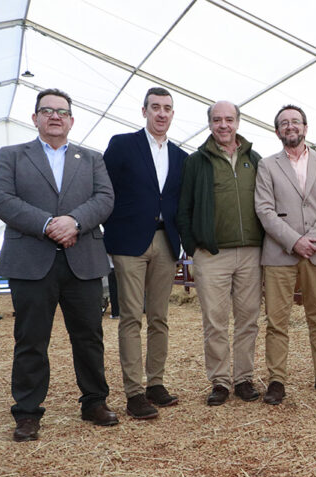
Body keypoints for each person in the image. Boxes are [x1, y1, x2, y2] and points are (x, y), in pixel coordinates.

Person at [0, 88, 118, 442]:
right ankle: (28, 412)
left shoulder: (91, 158)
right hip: (31, 259)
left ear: (72, 120)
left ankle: (94, 401)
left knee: (89, 336)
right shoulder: (12, 155)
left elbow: (105, 198)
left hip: (83, 259)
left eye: (62, 111)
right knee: (31, 339)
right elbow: (1, 198)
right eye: (47, 110)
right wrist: (48, 224)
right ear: (35, 118)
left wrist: (74, 222)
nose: (55, 116)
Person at [103, 87, 187, 420]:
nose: (161, 113)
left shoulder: (181, 156)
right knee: (130, 317)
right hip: (129, 244)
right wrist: (112, 231)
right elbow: (105, 190)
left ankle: (156, 384)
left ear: (172, 113)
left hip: (166, 242)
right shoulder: (122, 145)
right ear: (144, 111)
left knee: (159, 317)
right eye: (156, 107)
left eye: (167, 108)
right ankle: (134, 393)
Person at [255, 104, 316, 405]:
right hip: (280, 254)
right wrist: (295, 241)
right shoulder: (267, 166)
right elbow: (264, 210)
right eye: (284, 123)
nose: (290, 126)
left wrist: (313, 239)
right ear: (277, 131)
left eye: (296, 122)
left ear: (305, 127)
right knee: (277, 320)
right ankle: (277, 380)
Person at [176, 101, 264, 406]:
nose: (223, 125)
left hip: (251, 252)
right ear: (210, 124)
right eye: (217, 120)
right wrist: (194, 247)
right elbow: (183, 208)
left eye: (229, 119)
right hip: (211, 255)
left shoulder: (254, 159)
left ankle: (244, 378)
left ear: (238, 122)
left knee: (248, 319)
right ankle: (220, 381)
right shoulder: (196, 162)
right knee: (214, 320)